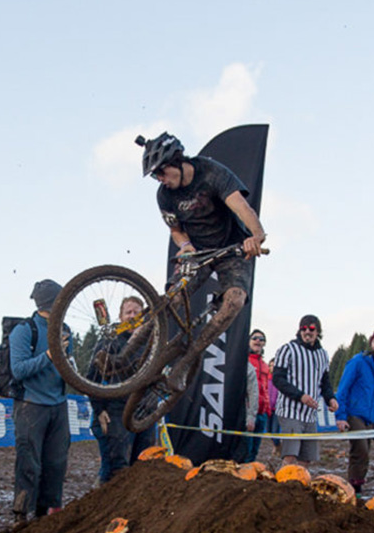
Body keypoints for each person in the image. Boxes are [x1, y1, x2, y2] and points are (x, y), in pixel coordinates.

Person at [136, 132, 267, 382]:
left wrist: (257, 236)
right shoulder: (164, 195)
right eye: (155, 176)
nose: (160, 180)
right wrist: (184, 244)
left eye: (161, 173)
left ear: (176, 162)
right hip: (198, 251)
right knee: (171, 299)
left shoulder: (211, 172)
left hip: (232, 249)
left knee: (235, 301)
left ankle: (187, 361)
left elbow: (241, 206)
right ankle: (126, 352)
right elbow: (175, 230)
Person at [11, 279, 70, 521]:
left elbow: (67, 364)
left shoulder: (65, 330)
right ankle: (21, 514)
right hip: (31, 406)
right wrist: (50, 354)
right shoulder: (24, 330)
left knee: (56, 464)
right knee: (29, 463)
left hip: (59, 404)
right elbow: (19, 370)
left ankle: (48, 514)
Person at [88, 296, 147, 481]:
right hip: (118, 410)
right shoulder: (110, 341)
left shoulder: (152, 341)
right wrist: (99, 410)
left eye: (136, 312)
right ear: (120, 316)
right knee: (117, 467)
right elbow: (92, 378)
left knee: (144, 464)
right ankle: (105, 502)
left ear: (143, 316)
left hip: (145, 410)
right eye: (128, 312)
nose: (132, 316)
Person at [271, 315, 337, 466]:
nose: (307, 331)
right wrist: (300, 396)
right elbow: (278, 379)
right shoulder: (287, 349)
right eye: (304, 328)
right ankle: (281, 486)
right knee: (290, 456)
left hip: (310, 414)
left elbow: (325, 382)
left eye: (312, 328)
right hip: (290, 410)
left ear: (318, 331)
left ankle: (299, 486)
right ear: (299, 330)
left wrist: (330, 399)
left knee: (306, 458)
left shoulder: (323, 354)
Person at [334, 330, 374, 495]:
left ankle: (356, 485)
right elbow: (343, 389)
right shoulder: (358, 362)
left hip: (370, 416)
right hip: (354, 413)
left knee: (365, 450)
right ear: (371, 344)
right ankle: (354, 487)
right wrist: (341, 416)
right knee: (360, 451)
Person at [241, 329, 272, 464]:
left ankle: (250, 475)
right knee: (245, 449)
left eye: (261, 339)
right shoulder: (243, 362)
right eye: (255, 338)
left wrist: (268, 409)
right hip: (248, 412)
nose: (258, 341)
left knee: (255, 450)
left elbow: (265, 388)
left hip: (262, 413)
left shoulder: (265, 365)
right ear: (248, 341)